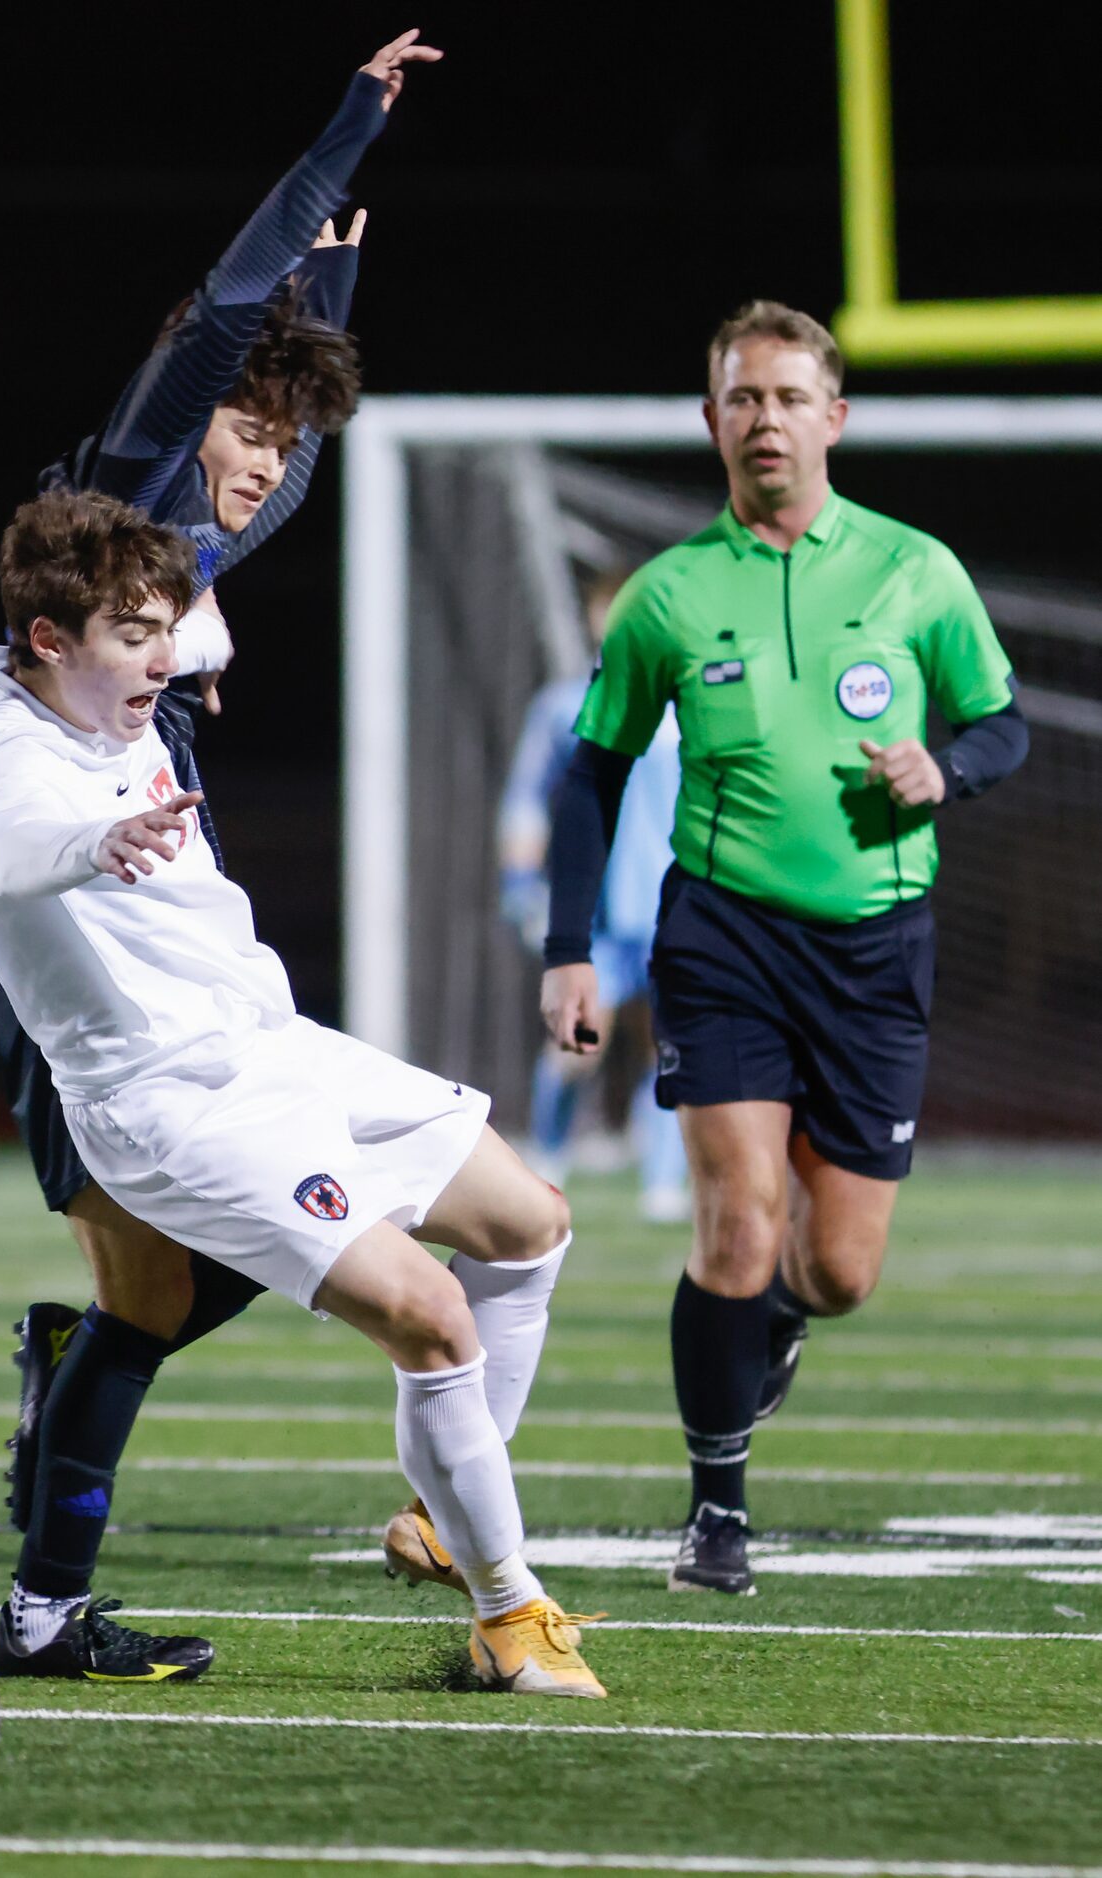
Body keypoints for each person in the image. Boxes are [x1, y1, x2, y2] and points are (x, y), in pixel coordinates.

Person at [0, 489, 605, 1697]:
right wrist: (100, 845)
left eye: (165, 629)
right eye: (133, 635)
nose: (160, 658)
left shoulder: (95, 662)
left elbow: (189, 593)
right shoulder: (4, 756)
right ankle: (511, 1618)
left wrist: (213, 577)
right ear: (47, 642)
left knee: (530, 1222)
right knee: (431, 1321)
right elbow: (13, 847)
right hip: (168, 1100)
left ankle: (445, 1520)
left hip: (266, 1040)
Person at [0, 30, 443, 1677]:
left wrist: (327, 327)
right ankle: (47, 1582)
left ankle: (64, 1440)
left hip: (153, 867)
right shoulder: (137, 468)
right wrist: (345, 135)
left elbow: (288, 434)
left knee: (176, 1277)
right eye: (242, 420)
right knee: (152, 1275)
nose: (255, 451)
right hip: (62, 894)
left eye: (276, 432)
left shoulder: (218, 516)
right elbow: (227, 319)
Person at [541, 300, 1028, 1595]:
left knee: (835, 1269)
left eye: (787, 396)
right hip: (724, 934)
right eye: (740, 398)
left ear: (833, 417)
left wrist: (946, 767)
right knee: (738, 1221)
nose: (764, 419)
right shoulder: (666, 594)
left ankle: (776, 1323)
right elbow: (586, 773)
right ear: (711, 422)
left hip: (877, 947)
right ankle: (715, 1512)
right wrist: (566, 944)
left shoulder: (913, 571)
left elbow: (1000, 723)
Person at [497, 567, 688, 1219]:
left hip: (675, 907)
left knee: (670, 1045)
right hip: (599, 912)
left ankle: (664, 1182)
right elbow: (525, 801)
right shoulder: (561, 705)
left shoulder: (689, 701)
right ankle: (546, 1162)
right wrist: (522, 886)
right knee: (574, 1041)